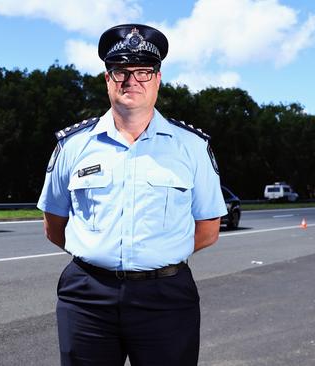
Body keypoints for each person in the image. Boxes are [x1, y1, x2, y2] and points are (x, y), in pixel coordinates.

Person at [37, 23, 227, 366]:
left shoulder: (192, 147)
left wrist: (155, 253)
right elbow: (54, 223)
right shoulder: (73, 145)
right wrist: (101, 253)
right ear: (107, 79)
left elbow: (208, 228)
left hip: (166, 297)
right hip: (87, 296)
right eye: (121, 72)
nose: (132, 81)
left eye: (143, 72)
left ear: (158, 78)